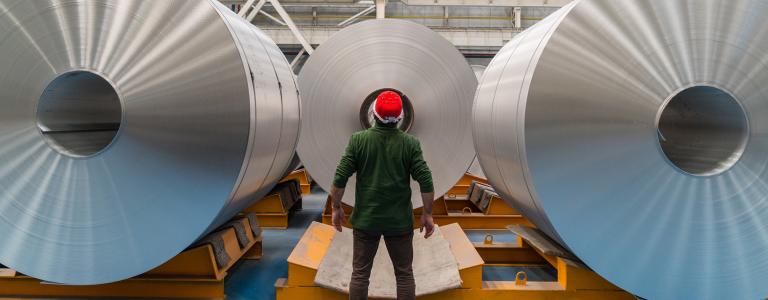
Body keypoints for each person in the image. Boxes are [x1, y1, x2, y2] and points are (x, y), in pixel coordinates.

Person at [330, 90, 435, 300]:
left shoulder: (358, 140)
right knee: (404, 276)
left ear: (374, 113)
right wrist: (427, 213)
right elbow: (426, 180)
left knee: (360, 275)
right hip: (399, 222)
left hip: (366, 220)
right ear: (400, 118)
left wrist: (336, 207)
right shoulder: (410, 143)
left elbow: (340, 178)